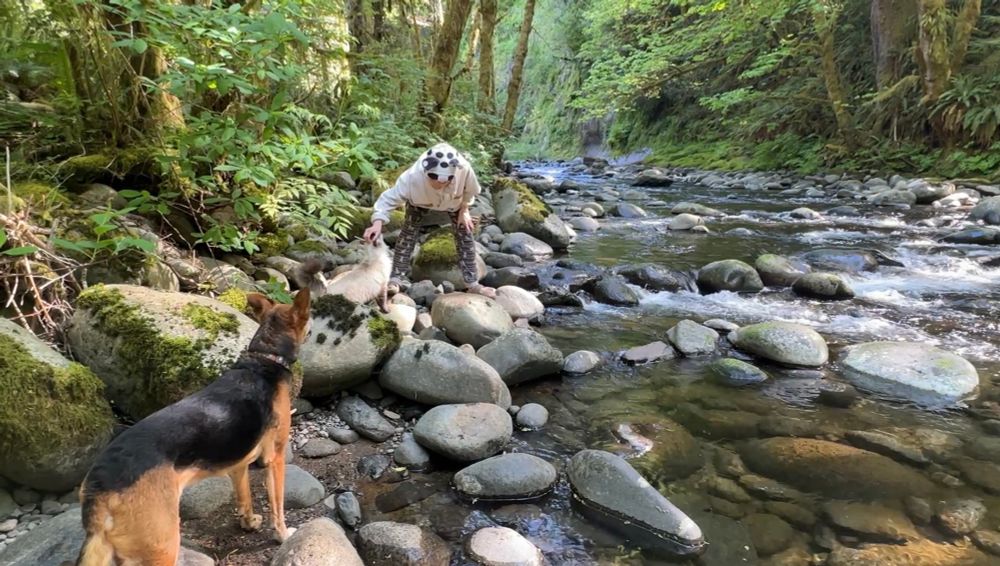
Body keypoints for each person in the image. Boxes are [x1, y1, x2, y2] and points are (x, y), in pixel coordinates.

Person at [363, 142, 496, 298]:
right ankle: (396, 279)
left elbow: (471, 190)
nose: (440, 183)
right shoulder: (412, 177)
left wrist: (465, 209)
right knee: (408, 234)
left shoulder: (464, 169)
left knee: (465, 233)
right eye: (434, 178)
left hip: (455, 202)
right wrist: (377, 223)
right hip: (419, 201)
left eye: (446, 180)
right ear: (426, 171)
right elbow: (388, 199)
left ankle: (472, 284)